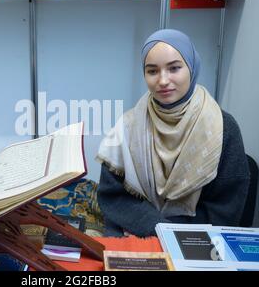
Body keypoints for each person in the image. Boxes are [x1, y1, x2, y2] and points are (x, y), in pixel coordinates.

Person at [96, 29, 250, 237]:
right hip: (136, 230)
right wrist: (157, 228)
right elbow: (112, 195)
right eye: (152, 71)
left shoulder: (222, 127)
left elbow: (226, 206)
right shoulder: (128, 125)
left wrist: (173, 233)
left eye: (174, 68)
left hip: (198, 236)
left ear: (192, 68)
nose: (163, 80)